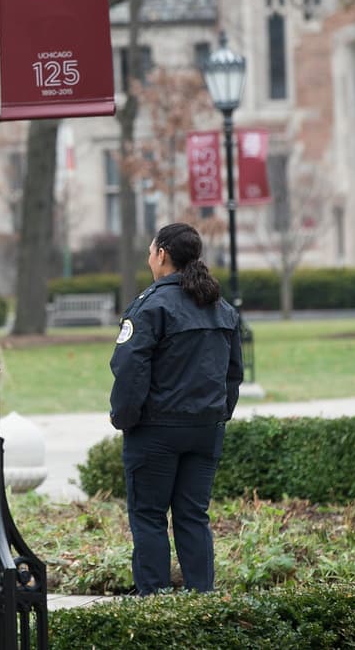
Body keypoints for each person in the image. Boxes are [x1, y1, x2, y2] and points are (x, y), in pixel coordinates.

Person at [108, 222, 243, 594]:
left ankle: (154, 602)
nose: (150, 257)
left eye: (151, 251)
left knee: (149, 516)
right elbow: (234, 374)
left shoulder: (150, 307)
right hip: (205, 430)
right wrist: (218, 415)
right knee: (193, 517)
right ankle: (202, 598)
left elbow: (129, 368)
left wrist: (124, 418)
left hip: (156, 431)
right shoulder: (221, 308)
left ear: (162, 255)